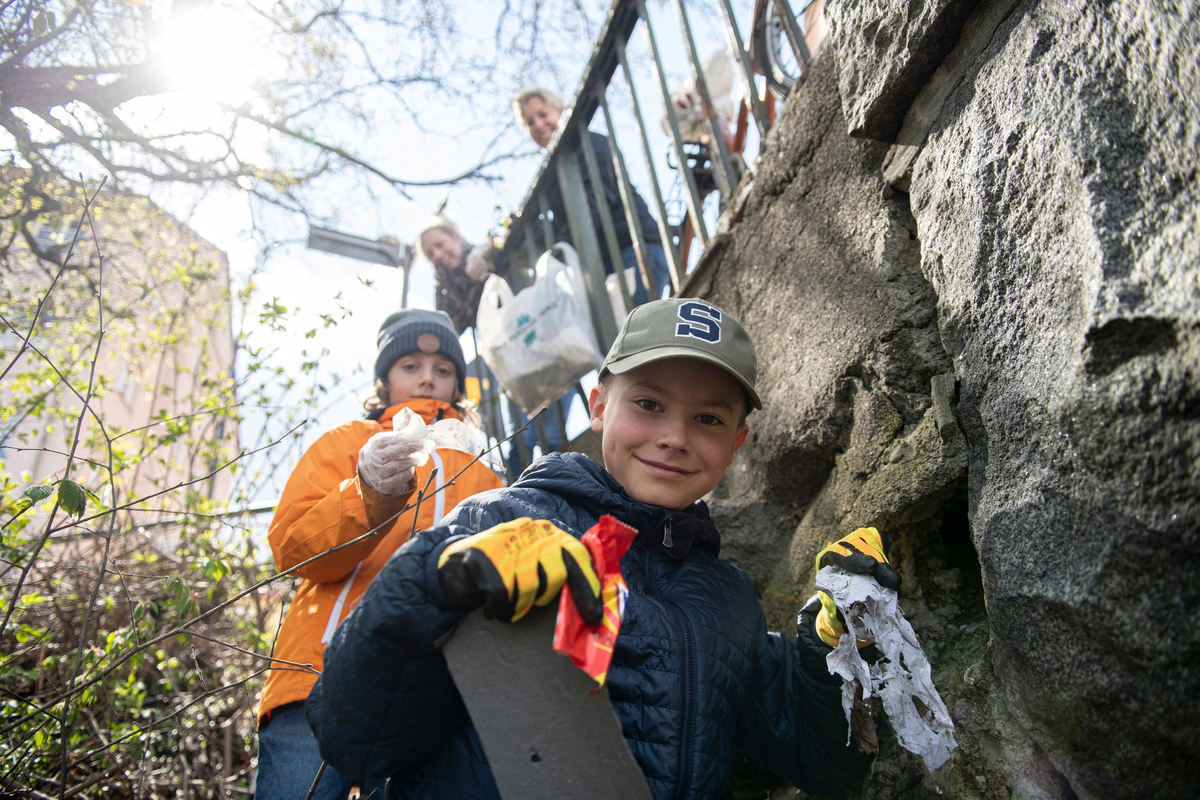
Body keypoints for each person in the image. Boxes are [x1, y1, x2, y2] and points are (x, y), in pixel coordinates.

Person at [305, 298, 887, 797]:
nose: (675, 438)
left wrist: (839, 646)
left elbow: (825, 761)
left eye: (707, 418)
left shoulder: (729, 601)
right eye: (649, 404)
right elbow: (355, 740)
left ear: (736, 443)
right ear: (600, 405)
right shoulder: (501, 520)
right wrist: (437, 583)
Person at [254, 309, 504, 800]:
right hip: (317, 675)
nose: (428, 377)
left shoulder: (485, 472)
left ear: (457, 385)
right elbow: (293, 549)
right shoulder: (346, 442)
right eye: (411, 365)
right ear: (385, 379)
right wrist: (365, 492)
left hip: (433, 697)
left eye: (443, 369)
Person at [515, 87, 674, 306]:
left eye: (543, 114)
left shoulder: (591, 143)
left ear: (562, 111)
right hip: (602, 266)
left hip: (633, 250)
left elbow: (594, 202)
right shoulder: (553, 177)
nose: (539, 125)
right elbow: (561, 225)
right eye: (530, 122)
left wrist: (557, 255)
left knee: (639, 331)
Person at [417, 215, 506, 335]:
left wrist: (491, 248)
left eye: (439, 245)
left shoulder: (485, 253)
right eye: (430, 254)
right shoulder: (444, 295)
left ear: (456, 236)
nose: (437, 255)